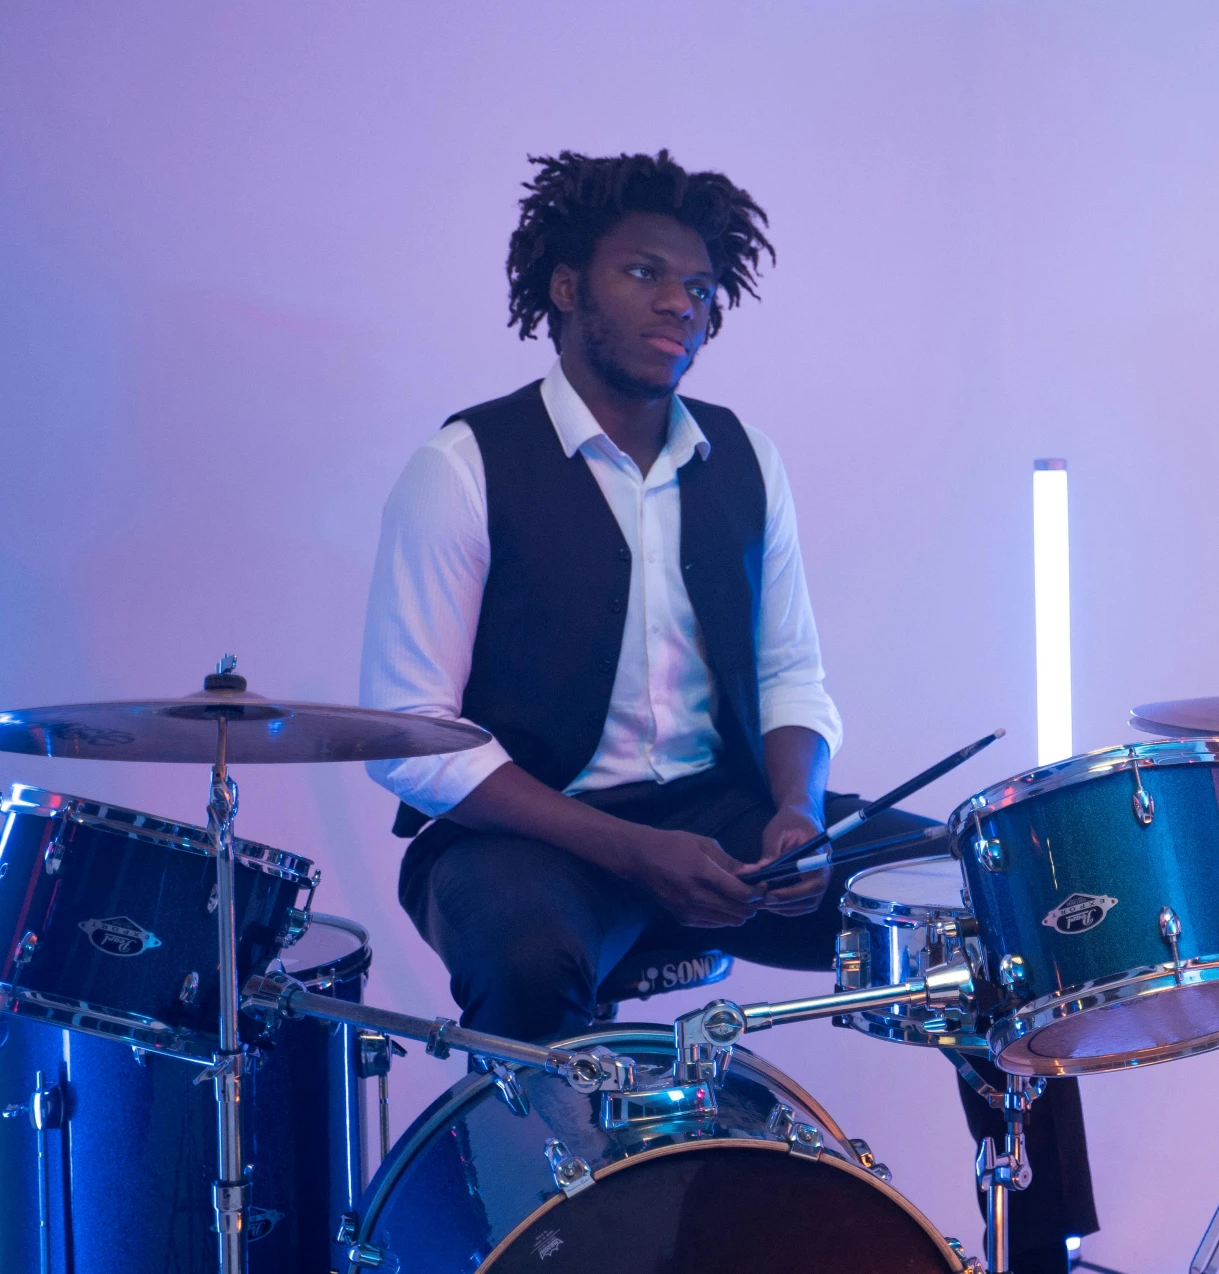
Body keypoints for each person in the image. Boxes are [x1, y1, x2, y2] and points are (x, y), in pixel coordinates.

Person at [359, 149, 1093, 1272]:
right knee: (525, 952)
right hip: (531, 828)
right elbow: (412, 737)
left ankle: (1042, 1248)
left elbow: (793, 673)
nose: (679, 305)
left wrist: (796, 813)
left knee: (991, 893)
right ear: (565, 289)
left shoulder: (742, 455)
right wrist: (632, 849)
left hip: (724, 811)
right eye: (644, 273)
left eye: (699, 287)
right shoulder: (463, 465)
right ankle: (553, 1247)